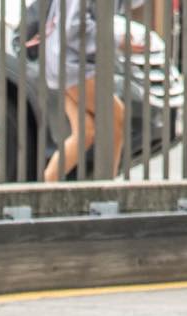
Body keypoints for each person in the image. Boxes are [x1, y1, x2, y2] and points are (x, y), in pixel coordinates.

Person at [41, 0, 126, 181]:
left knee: (85, 132)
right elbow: (74, 26)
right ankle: (106, 193)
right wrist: (118, 40)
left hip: (65, 61)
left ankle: (46, 188)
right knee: (116, 119)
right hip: (71, 64)